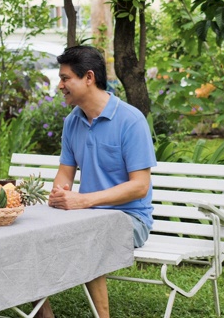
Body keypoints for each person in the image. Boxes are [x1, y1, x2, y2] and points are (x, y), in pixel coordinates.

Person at [35, 46, 156, 318]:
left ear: (88, 77)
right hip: (87, 216)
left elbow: (140, 186)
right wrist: (60, 193)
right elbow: (65, 173)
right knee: (31, 235)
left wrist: (84, 200)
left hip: (130, 219)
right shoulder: (72, 122)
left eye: (66, 78)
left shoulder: (131, 121)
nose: (60, 85)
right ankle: (43, 313)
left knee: (90, 235)